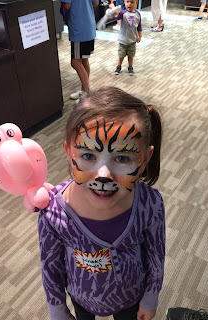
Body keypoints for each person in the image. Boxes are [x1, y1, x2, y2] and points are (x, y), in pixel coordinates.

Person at [38, 86, 166, 320]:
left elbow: (156, 255)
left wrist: (150, 297)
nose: (104, 174)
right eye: (88, 156)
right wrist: (57, 308)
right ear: (69, 152)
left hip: (132, 297)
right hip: (81, 298)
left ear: (145, 158)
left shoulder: (150, 204)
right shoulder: (53, 211)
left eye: (122, 158)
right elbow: (50, 266)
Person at [61, 0, 99, 102]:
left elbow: (67, 5)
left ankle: (86, 94)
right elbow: (96, 3)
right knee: (84, 60)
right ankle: (84, 91)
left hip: (79, 29)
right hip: (89, 26)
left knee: (75, 62)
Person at [111, 0, 142, 76]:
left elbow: (139, 26)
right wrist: (113, 9)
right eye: (127, 2)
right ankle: (119, 66)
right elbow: (117, 17)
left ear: (136, 3)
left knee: (131, 55)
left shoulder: (138, 14)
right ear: (124, 2)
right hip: (123, 40)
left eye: (132, 2)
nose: (129, 4)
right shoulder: (123, 13)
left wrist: (140, 36)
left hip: (132, 40)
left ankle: (130, 67)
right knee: (121, 55)